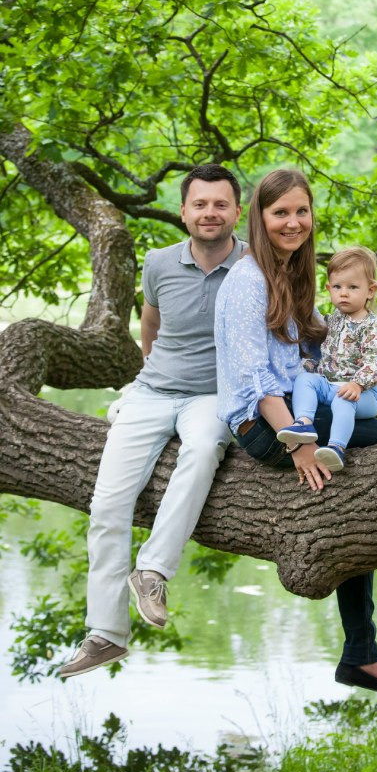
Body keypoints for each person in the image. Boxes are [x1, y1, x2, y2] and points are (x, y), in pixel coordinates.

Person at [215, 167, 377, 697]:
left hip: (299, 411)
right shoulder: (248, 280)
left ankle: (360, 655)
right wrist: (299, 444)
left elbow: (315, 350)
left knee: (353, 503)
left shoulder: (293, 275)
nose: (293, 222)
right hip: (268, 425)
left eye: (302, 211)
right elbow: (255, 378)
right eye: (280, 212)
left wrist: (362, 335)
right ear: (257, 217)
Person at [60, 164, 246, 678]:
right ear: (184, 211)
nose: (210, 212)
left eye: (221, 204)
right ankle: (105, 633)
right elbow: (151, 320)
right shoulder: (159, 262)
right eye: (200, 204)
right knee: (107, 505)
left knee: (204, 449)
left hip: (213, 396)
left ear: (237, 211)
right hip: (151, 392)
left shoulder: (255, 266)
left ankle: (153, 571)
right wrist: (150, 371)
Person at [276, 246, 377, 473]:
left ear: (370, 290)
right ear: (329, 288)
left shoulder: (371, 324)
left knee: (342, 400)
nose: (343, 293)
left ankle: (336, 447)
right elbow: (328, 355)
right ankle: (303, 423)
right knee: (305, 380)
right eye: (337, 287)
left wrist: (358, 384)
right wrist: (308, 367)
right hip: (330, 384)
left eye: (353, 287)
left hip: (364, 393)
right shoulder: (335, 318)